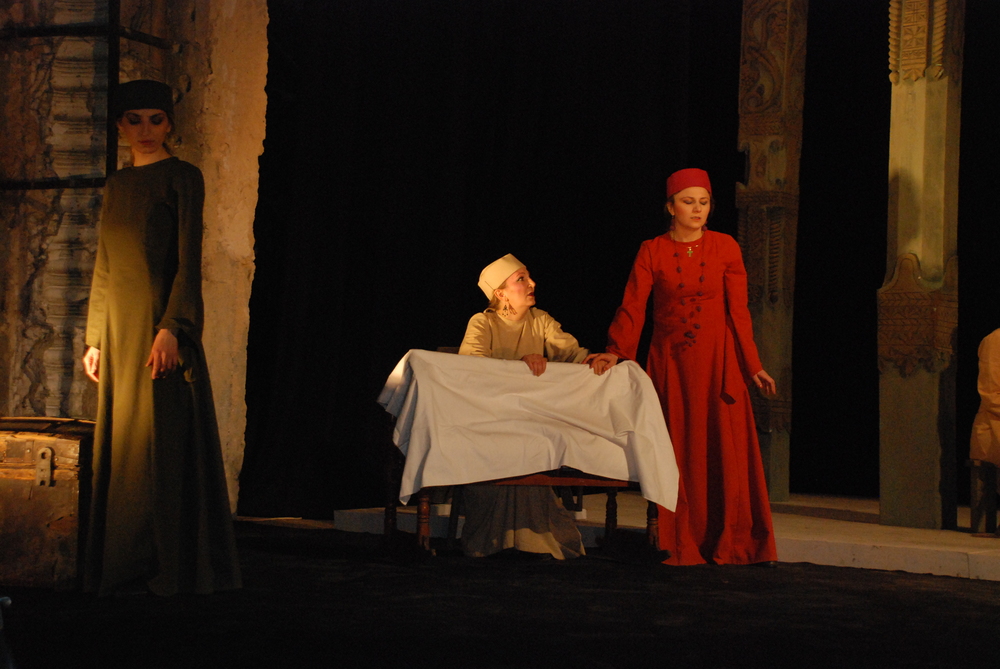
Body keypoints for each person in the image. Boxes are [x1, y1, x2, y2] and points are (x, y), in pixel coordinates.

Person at [81, 79, 241, 595]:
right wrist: (95, 337)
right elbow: (105, 264)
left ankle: (172, 566)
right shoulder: (118, 184)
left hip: (159, 328)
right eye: (134, 120)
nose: (145, 130)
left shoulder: (182, 177)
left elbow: (187, 262)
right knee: (125, 444)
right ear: (120, 126)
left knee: (164, 442)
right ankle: (123, 563)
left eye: (155, 119)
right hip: (119, 331)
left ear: (169, 123)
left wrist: (173, 327)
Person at [586, 168, 778, 565]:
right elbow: (634, 304)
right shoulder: (652, 250)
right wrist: (616, 350)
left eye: (704, 202)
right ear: (670, 207)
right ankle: (680, 539)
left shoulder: (725, 246)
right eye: (688, 202)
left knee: (722, 449)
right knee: (678, 448)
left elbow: (739, 311)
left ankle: (731, 541)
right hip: (672, 363)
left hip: (718, 362)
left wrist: (752, 364)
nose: (697, 209)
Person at [457, 253, 589, 559]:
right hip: (489, 419)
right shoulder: (483, 322)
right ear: (501, 293)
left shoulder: (540, 320)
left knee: (533, 443)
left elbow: (572, 353)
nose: (532, 284)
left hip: (530, 419)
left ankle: (534, 540)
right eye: (521, 279)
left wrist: (595, 360)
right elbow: (470, 365)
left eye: (528, 277)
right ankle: (493, 539)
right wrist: (519, 365)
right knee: (509, 447)